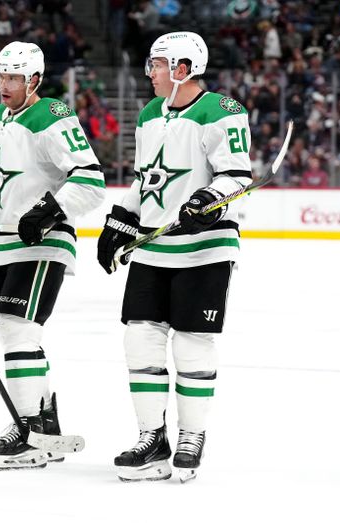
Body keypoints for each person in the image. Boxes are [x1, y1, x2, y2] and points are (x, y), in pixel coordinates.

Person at [96, 31, 252, 483]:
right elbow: (148, 180)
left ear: (183, 68)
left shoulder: (222, 111)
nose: (152, 73)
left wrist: (208, 198)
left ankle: (191, 436)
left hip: (205, 248)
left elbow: (236, 177)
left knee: (191, 342)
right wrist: (120, 219)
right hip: (153, 247)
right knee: (139, 340)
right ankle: (152, 437)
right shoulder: (149, 115)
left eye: (158, 65)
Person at [0, 42, 105, 470]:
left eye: (13, 77)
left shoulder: (51, 114)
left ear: (33, 80)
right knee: (12, 334)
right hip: (1, 244)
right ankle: (45, 422)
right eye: (0, 76)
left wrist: (50, 211)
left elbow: (90, 180)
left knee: (18, 330)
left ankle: (29, 429)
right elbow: (1, 183)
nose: (3, 85)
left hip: (42, 242)